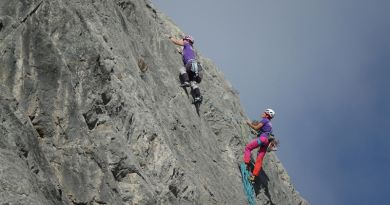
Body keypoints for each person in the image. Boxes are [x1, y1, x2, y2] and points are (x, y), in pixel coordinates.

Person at [243, 108, 278, 181]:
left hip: (263, 139)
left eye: (264, 112)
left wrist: (248, 123)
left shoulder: (265, 120)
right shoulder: (270, 124)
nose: (262, 113)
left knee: (248, 148)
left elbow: (256, 128)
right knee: (259, 159)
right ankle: (254, 176)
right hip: (266, 143)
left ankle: (246, 163)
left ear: (267, 115)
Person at [169, 35, 203, 103]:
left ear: (187, 40)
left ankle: (186, 81)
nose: (183, 40)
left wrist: (170, 38)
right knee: (193, 83)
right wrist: (181, 52)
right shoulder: (191, 49)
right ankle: (198, 97)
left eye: (184, 39)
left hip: (190, 64)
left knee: (182, 70)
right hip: (196, 66)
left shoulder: (186, 44)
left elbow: (176, 42)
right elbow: (186, 54)